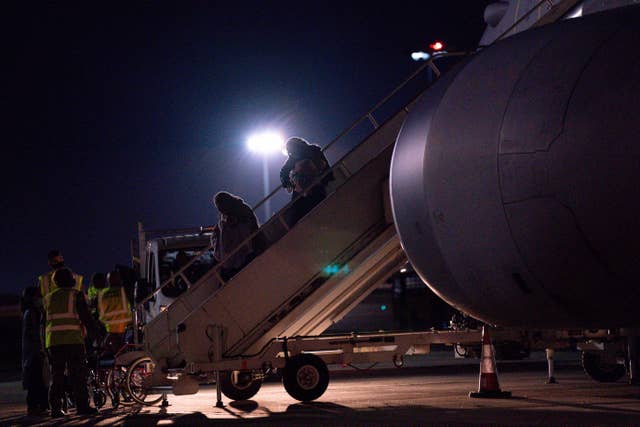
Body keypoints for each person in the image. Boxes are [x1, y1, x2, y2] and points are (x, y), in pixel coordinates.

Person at [44, 267, 98, 418]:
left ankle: (56, 408)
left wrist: (45, 345)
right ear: (71, 280)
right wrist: (95, 336)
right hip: (73, 340)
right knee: (78, 375)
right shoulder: (76, 295)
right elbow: (86, 317)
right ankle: (82, 406)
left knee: (57, 375)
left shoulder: (48, 298)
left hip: (53, 342)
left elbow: (44, 323)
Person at [279, 137, 334, 226]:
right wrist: (288, 184)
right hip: (307, 188)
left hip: (313, 186)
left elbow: (324, 164)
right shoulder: (296, 157)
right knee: (298, 212)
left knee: (299, 212)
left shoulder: (308, 152)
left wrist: (288, 184)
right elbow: (283, 173)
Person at [211, 191, 261, 280]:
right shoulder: (226, 216)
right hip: (235, 254)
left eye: (220, 207)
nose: (220, 210)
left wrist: (232, 225)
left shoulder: (241, 210)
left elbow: (247, 228)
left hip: (247, 250)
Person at [21, 286, 50, 417]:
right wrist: (41, 349)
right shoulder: (32, 312)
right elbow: (35, 333)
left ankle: (40, 406)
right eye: (38, 296)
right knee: (37, 380)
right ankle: (35, 407)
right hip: (35, 352)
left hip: (33, 352)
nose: (40, 298)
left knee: (39, 380)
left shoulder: (31, 312)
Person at [97, 270, 133, 355]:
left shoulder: (103, 294)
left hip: (110, 330)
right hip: (125, 329)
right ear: (120, 280)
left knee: (106, 352)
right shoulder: (125, 291)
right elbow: (133, 307)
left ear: (108, 281)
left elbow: (100, 313)